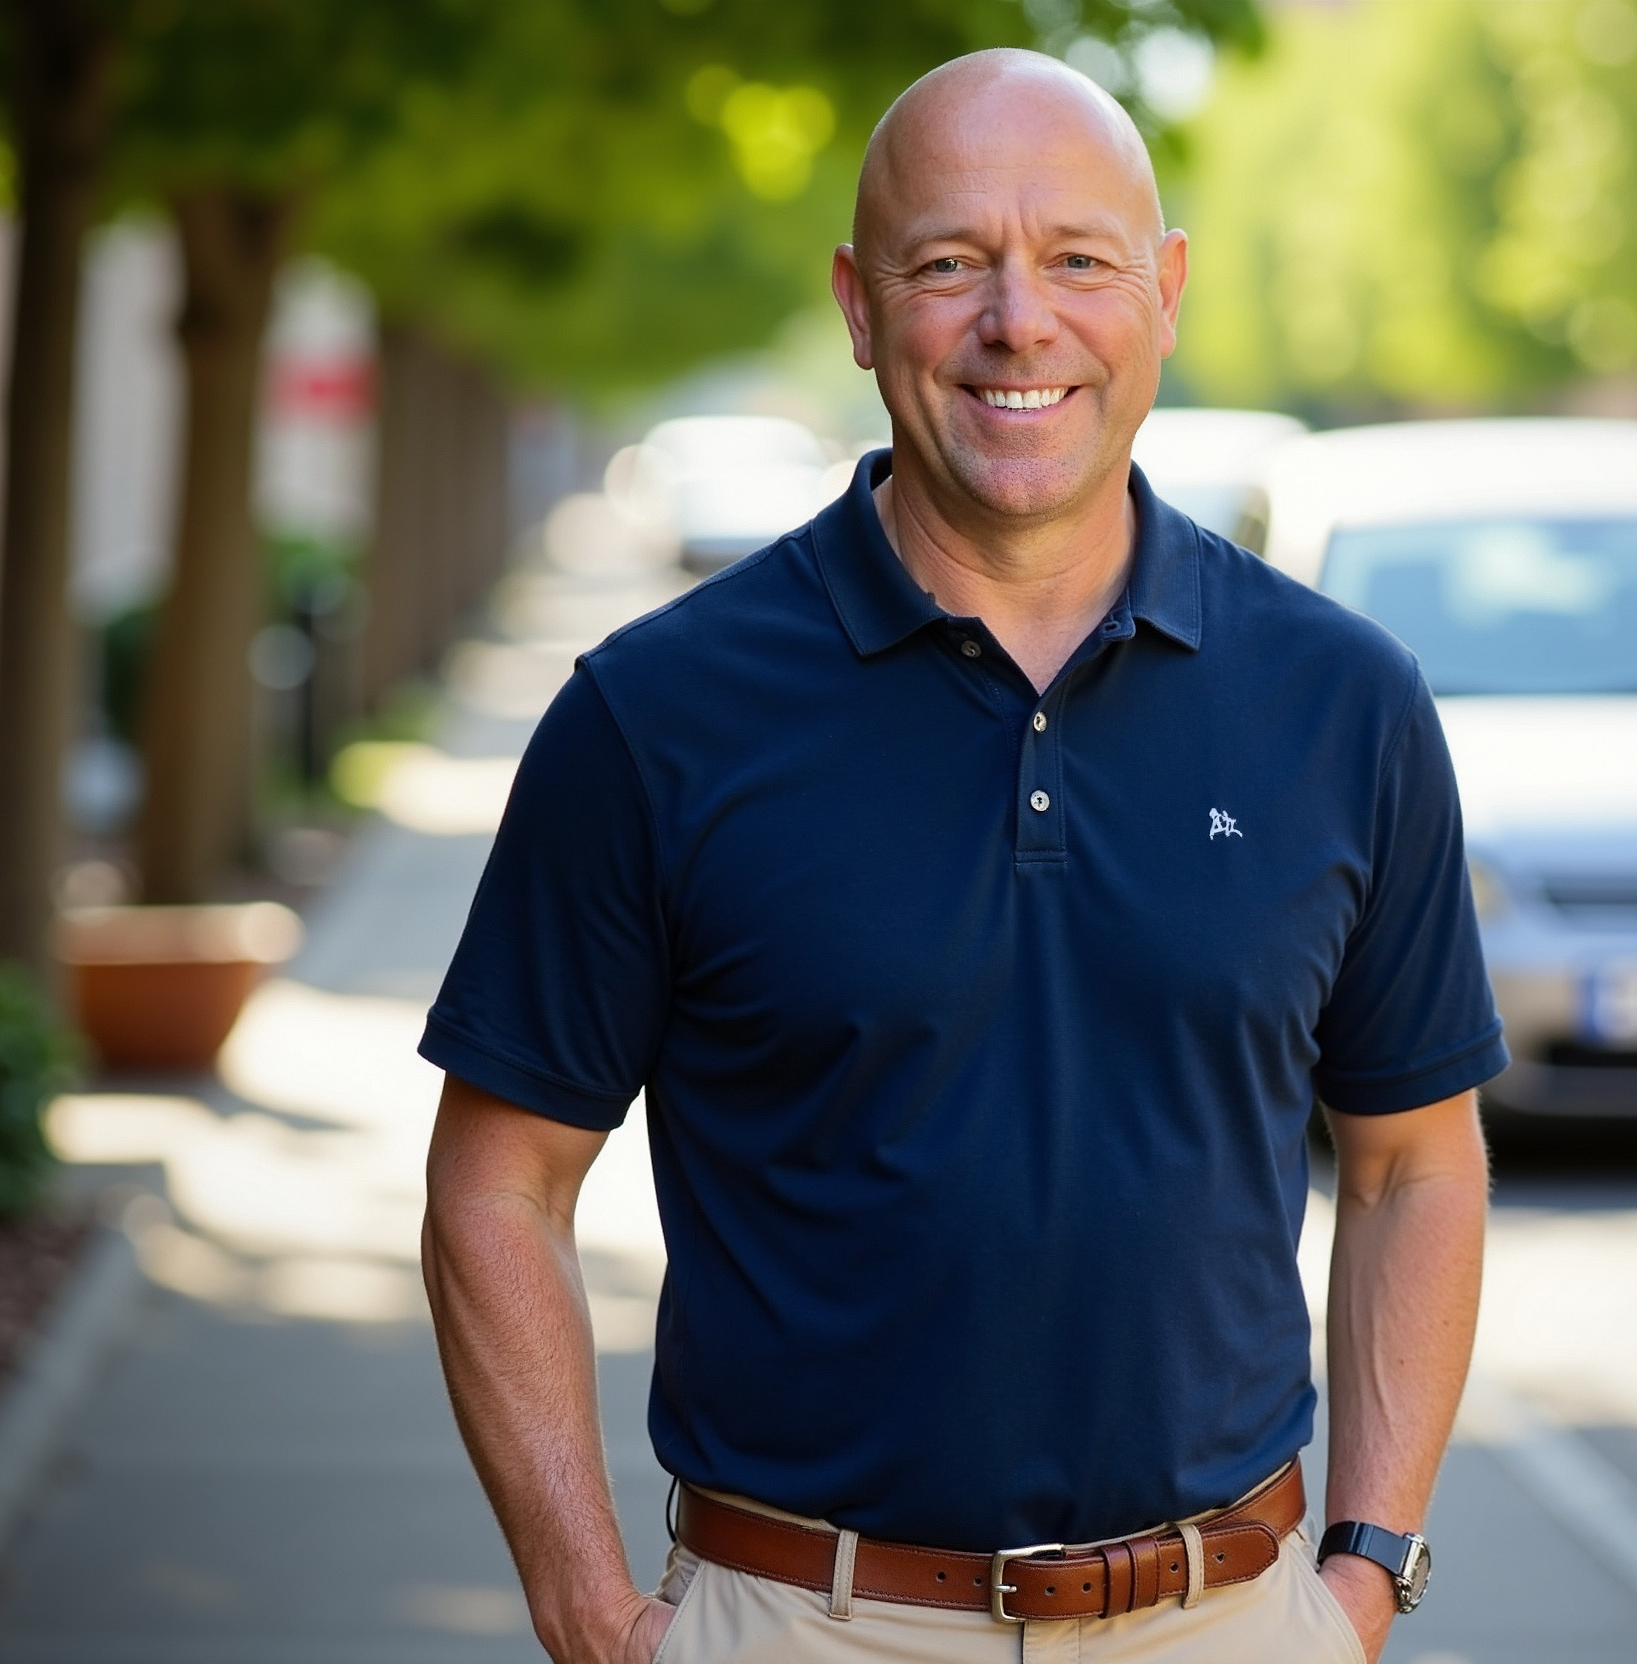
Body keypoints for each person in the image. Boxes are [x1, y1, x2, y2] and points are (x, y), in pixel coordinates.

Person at [419, 48, 1504, 1664]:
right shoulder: (656, 719)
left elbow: (1416, 1161)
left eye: (1080, 259)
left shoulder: (1344, 703)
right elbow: (495, 1187)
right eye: (951, 266)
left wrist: (1358, 1582)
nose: (1021, 321)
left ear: (1169, 293)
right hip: (801, 1619)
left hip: (1231, 1618)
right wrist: (586, 1604)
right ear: (860, 310)